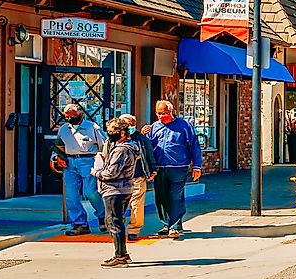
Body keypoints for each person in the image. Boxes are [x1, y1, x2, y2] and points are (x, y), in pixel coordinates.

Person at [91, 116, 152, 267]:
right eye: (109, 131)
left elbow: (112, 172)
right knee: (116, 221)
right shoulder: (128, 147)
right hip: (123, 188)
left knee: (114, 222)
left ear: (123, 133)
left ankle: (120, 256)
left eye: (113, 131)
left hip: (115, 189)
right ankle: (122, 254)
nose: (110, 134)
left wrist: (96, 172)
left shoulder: (122, 149)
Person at [144, 99, 204, 238]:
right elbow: (146, 146)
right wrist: (142, 134)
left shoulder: (184, 126)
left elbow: (194, 146)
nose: (160, 116)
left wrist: (196, 166)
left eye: (164, 113)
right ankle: (166, 224)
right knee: (161, 197)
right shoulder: (154, 127)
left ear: (171, 112)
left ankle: (175, 226)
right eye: (158, 113)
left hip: (178, 167)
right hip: (159, 168)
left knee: (175, 196)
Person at [55, 99, 104, 233]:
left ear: (80, 114)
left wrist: (101, 161)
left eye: (73, 116)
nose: (70, 118)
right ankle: (80, 223)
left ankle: (103, 216)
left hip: (88, 161)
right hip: (70, 162)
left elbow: (104, 146)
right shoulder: (64, 129)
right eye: (67, 116)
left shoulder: (92, 127)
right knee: (71, 195)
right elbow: (58, 146)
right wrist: (56, 158)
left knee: (90, 192)